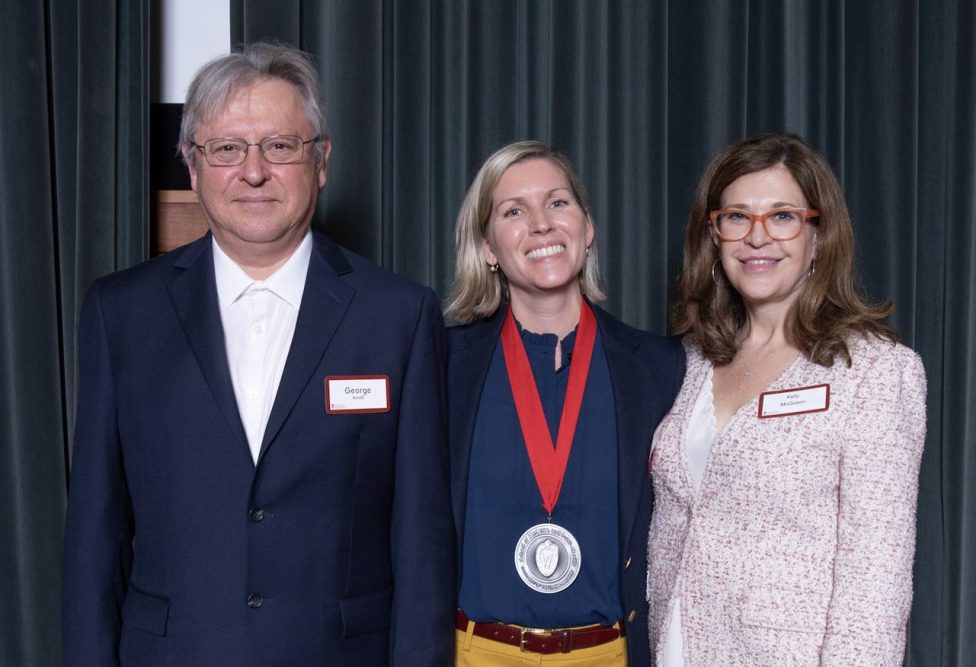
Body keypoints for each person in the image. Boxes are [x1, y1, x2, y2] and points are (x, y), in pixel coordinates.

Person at [61, 42, 454, 665]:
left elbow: (422, 543)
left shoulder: (397, 316)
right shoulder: (121, 315)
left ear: (321, 161)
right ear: (192, 167)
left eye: (279, 146)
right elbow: (93, 540)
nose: (253, 171)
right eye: (227, 149)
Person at [647, 132, 927, 665]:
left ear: (819, 237)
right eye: (736, 217)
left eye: (782, 216)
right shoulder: (686, 364)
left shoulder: (873, 373)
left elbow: (877, 580)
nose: (757, 237)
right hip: (674, 648)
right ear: (714, 236)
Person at [445, 140, 684, 666]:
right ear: (487, 247)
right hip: (476, 653)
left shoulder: (661, 369)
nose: (541, 224)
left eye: (557, 203)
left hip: (608, 654)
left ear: (587, 226)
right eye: (513, 211)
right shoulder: (442, 368)